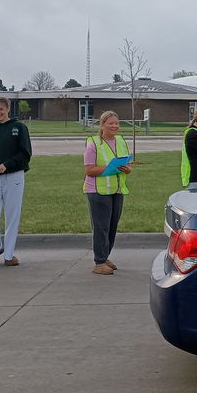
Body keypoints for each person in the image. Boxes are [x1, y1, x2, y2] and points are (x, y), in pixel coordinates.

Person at [0, 96, 32, 265]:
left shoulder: (19, 127)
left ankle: (9, 255)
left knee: (12, 215)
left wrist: (7, 165)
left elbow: (25, 154)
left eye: (0, 109)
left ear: (8, 109)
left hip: (14, 176)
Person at [84, 111, 132, 275]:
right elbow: (89, 170)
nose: (114, 126)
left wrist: (127, 169)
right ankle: (99, 261)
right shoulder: (94, 144)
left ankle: (105, 256)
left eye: (116, 123)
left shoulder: (120, 141)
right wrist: (111, 169)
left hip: (117, 190)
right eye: (110, 123)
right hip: (98, 191)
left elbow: (126, 163)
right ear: (102, 125)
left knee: (112, 226)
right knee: (101, 227)